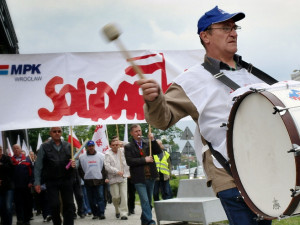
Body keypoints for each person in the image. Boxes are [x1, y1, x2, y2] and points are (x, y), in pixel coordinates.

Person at [137, 6, 273, 225]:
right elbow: (162, 119)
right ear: (205, 36)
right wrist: (154, 101)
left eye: (235, 27)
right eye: (225, 27)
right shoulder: (191, 80)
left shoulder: (251, 73)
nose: (234, 32)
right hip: (228, 173)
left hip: (263, 168)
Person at [34, 127, 76, 225]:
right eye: (54, 131)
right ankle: (57, 222)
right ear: (50, 133)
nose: (57, 133)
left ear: (61, 133)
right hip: (51, 180)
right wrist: (37, 182)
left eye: (59, 131)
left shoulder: (69, 145)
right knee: (54, 205)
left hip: (66, 179)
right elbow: (38, 166)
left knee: (69, 204)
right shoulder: (44, 147)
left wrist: (75, 163)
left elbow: (75, 160)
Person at [124, 124, 162, 225]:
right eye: (136, 131)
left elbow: (158, 151)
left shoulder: (147, 142)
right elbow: (129, 161)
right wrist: (144, 159)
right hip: (139, 178)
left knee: (148, 201)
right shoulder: (128, 147)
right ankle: (150, 222)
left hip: (151, 176)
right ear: (131, 133)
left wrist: (153, 140)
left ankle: (144, 221)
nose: (138, 133)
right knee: (144, 201)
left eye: (139, 131)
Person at [78, 140, 107, 220]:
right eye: (89, 146)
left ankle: (101, 213)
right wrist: (84, 177)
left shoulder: (101, 156)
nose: (91, 147)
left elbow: (104, 168)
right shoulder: (82, 157)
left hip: (99, 180)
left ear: (94, 146)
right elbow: (80, 169)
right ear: (87, 147)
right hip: (88, 181)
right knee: (91, 199)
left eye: (92, 146)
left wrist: (103, 177)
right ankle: (95, 213)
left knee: (100, 197)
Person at [104, 137, 130, 220]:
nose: (115, 146)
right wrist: (116, 171)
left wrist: (121, 142)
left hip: (123, 177)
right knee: (115, 197)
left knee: (124, 195)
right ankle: (117, 209)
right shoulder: (107, 153)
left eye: (116, 145)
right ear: (110, 146)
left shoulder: (122, 150)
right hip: (113, 178)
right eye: (113, 145)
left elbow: (130, 145)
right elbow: (107, 166)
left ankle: (124, 213)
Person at [11, 144, 33, 225]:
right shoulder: (11, 160)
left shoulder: (27, 159)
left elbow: (31, 172)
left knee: (26, 203)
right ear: (13, 150)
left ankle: (27, 220)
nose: (16, 150)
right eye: (14, 149)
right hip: (16, 186)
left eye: (17, 148)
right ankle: (20, 219)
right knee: (18, 203)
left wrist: (31, 182)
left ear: (20, 149)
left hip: (26, 186)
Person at [0, 145, 14, 225]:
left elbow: (11, 170)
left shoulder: (7, 158)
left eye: (0, 150)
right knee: (1, 207)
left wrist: (1, 165)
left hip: (8, 186)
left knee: (8, 207)